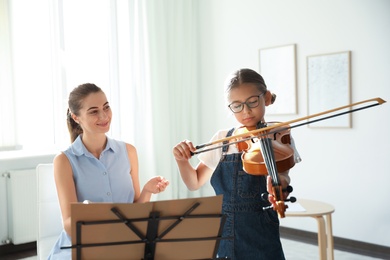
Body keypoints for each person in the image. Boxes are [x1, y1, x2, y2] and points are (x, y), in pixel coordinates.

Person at [172, 68, 301, 259]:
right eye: (237, 106)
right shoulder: (223, 140)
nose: (246, 111)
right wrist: (181, 161)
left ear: (265, 97)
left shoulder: (279, 136)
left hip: (262, 229)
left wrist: (278, 184)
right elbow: (194, 182)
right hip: (225, 232)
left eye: (252, 102)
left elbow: (283, 174)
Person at [48, 83, 169, 259]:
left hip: (125, 243)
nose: (104, 116)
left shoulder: (128, 151)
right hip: (82, 246)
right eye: (93, 111)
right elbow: (68, 223)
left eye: (106, 107)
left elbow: (136, 211)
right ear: (76, 117)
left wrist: (147, 191)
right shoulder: (64, 161)